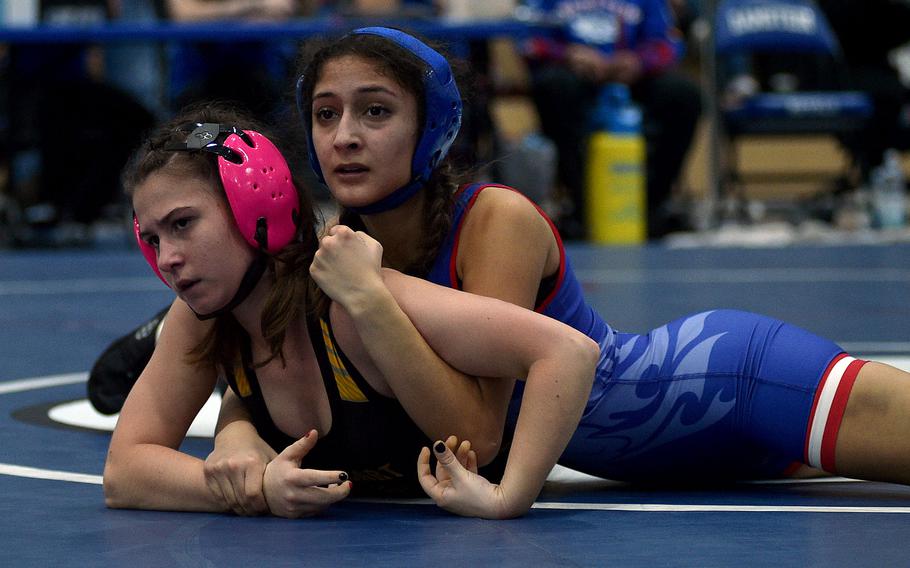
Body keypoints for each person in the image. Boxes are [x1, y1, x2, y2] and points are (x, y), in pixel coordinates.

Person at [106, 28, 910, 519]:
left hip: (723, 383)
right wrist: (241, 419)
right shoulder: (340, 254)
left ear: (433, 125)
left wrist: (507, 500)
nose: (345, 136)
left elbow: (472, 436)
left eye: (376, 111)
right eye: (325, 115)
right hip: (682, 460)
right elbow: (280, 330)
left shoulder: (493, 222)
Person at [102, 103, 599, 519]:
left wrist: (510, 499)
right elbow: (123, 473)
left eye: (184, 224)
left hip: (655, 395)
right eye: (151, 239)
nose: (167, 258)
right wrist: (254, 487)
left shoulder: (348, 293)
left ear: (255, 205)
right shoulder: (203, 320)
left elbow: (568, 351)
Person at [521, 0, 703, 239]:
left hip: (633, 75)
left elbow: (669, 45)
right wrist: (568, 54)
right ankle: (582, 210)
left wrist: (638, 61)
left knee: (684, 95)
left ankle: (649, 207)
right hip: (572, 73)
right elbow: (526, 40)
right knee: (553, 88)